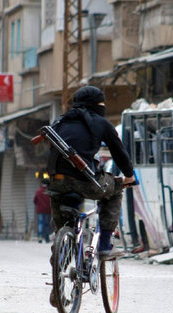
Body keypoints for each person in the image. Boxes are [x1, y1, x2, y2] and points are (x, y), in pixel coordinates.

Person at [47, 85, 135, 307]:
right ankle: (105, 242)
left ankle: (58, 284)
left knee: (62, 230)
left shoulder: (59, 122)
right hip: (87, 182)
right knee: (115, 189)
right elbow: (119, 152)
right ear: (98, 105)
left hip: (56, 183)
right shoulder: (101, 122)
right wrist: (129, 176)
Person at [33, 179, 52, 243]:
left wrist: (39, 205)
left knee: (40, 224)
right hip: (47, 210)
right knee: (47, 224)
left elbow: (35, 201)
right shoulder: (49, 192)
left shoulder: (38, 192)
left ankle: (40, 237)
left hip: (40, 210)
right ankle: (47, 238)